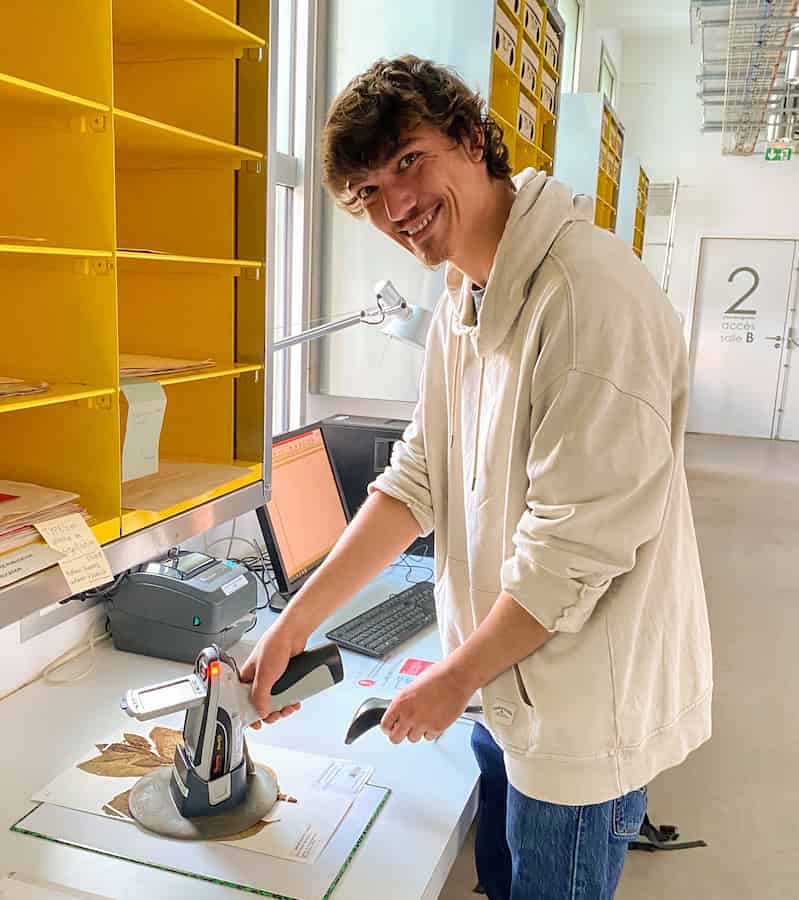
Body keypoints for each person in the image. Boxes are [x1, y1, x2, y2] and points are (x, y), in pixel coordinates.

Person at [242, 56, 713, 900]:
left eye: (407, 161)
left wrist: (454, 678)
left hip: (576, 712)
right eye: (368, 191)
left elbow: (571, 551)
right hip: (503, 677)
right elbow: (416, 480)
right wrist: (293, 624)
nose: (395, 206)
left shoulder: (586, 295)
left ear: (471, 139)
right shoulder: (465, 294)